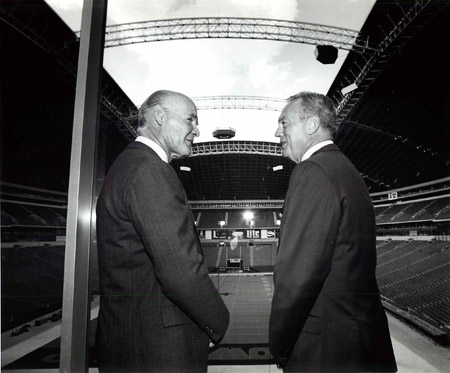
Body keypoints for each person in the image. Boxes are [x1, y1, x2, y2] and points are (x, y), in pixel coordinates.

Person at [96, 90, 230, 372]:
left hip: (131, 340)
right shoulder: (150, 171)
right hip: (158, 349)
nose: (196, 129)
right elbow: (179, 270)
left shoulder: (128, 165)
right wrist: (217, 321)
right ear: (159, 116)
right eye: (190, 120)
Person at [269, 92, 397, 372]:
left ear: (311, 124)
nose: (277, 131)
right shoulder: (346, 170)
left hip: (327, 350)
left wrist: (279, 342)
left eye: (284, 123)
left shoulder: (313, 170)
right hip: (361, 342)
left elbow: (298, 275)